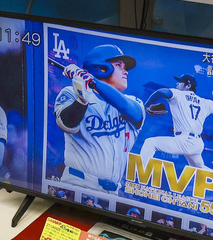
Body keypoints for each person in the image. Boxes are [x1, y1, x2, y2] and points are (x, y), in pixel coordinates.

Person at [54, 45, 146, 193]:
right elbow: (66, 124)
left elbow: (132, 112)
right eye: (118, 65)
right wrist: (81, 100)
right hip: (77, 184)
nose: (126, 71)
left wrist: (93, 81)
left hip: (113, 192)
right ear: (101, 68)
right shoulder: (71, 93)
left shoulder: (133, 101)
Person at [138, 74, 213, 189]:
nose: (177, 84)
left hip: (184, 140)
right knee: (200, 168)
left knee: (150, 143)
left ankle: (139, 173)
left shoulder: (178, 94)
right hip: (197, 142)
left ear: (188, 85)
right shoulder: (205, 102)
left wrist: (145, 106)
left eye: (180, 82)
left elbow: (160, 92)